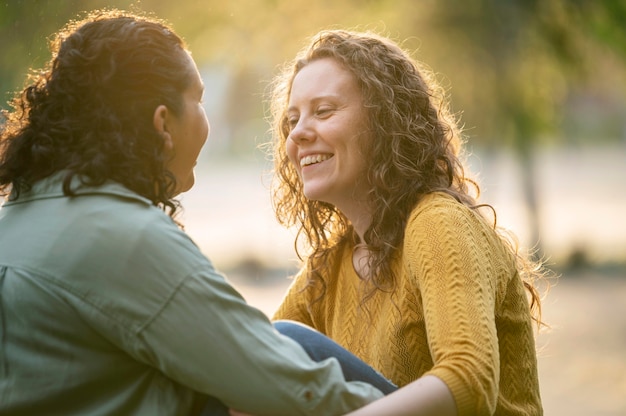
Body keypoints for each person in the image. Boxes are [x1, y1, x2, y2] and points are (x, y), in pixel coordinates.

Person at [0, 11, 387, 415]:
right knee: (294, 343)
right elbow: (280, 381)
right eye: (199, 100)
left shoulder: (12, 223)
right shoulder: (124, 238)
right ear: (162, 124)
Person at [266, 29, 551, 415]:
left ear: (385, 121)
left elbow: (469, 381)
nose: (298, 133)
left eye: (324, 111)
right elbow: (252, 358)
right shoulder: (330, 266)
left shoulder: (439, 223)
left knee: (287, 342)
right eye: (292, 120)